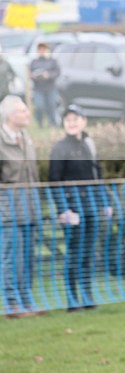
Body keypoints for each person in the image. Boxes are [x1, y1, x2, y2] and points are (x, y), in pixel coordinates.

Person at [49, 104, 111, 312]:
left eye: (76, 119)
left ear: (84, 121)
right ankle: (72, 298)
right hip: (73, 209)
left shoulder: (88, 145)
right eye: (68, 120)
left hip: (91, 206)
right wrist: (63, 210)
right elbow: (54, 180)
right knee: (74, 253)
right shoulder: (59, 148)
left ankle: (87, 295)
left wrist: (105, 202)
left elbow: (97, 176)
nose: (72, 123)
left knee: (87, 253)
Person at [0, 96, 42, 318]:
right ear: (10, 116)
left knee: (28, 258)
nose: (27, 114)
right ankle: (12, 304)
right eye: (23, 111)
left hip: (30, 208)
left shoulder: (26, 138)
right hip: (9, 211)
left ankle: (28, 302)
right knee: (11, 258)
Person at [29, 42, 60, 128]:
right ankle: (40, 124)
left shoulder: (52, 61)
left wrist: (48, 75)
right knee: (39, 106)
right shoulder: (34, 62)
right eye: (40, 49)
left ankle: (52, 124)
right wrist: (34, 75)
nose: (41, 51)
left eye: (43, 49)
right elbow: (29, 74)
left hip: (50, 88)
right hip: (38, 88)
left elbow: (57, 72)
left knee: (51, 106)